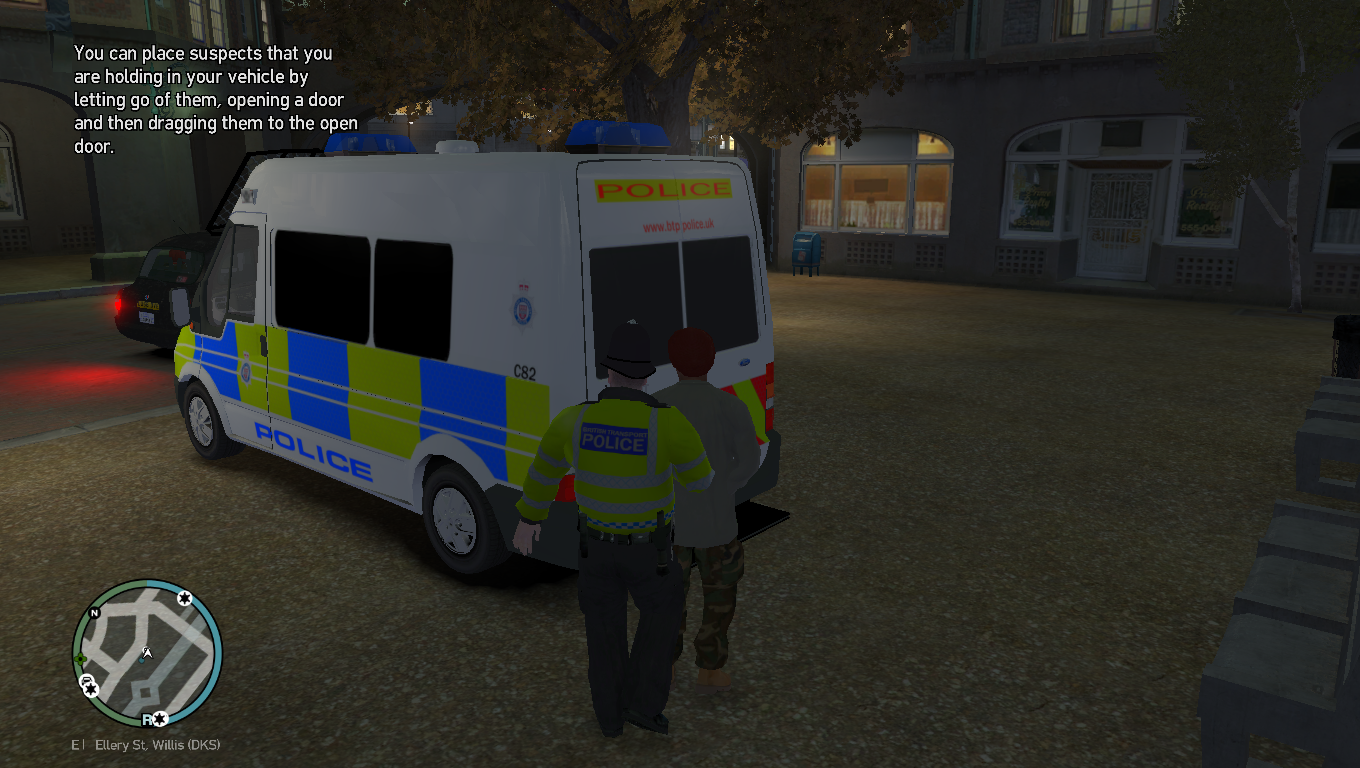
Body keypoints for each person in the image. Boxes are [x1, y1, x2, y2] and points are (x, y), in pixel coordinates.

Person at [511, 321, 714, 738]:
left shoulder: (575, 419)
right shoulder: (667, 422)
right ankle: (643, 705)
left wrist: (529, 519)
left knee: (602, 630)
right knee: (663, 611)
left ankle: (609, 717)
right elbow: (701, 481)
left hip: (594, 549)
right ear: (646, 376)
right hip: (649, 552)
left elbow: (543, 472)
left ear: (608, 372)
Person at [653, 327, 761, 695]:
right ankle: (710, 671)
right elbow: (749, 461)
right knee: (719, 599)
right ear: (712, 362)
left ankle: (665, 666)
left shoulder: (656, 406)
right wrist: (724, 487)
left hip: (669, 529)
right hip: (718, 525)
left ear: (673, 363)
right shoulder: (731, 406)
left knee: (667, 600)